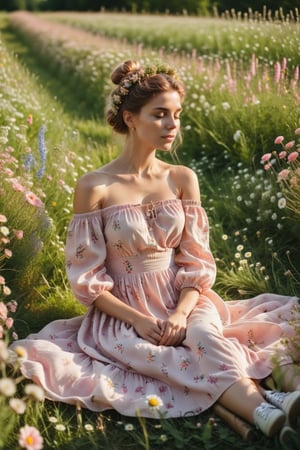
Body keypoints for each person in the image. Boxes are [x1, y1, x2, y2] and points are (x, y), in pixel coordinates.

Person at [11, 60, 300, 441]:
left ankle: (266, 409)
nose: (171, 124)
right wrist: (139, 321)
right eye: (160, 114)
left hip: (184, 296)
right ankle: (269, 407)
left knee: (204, 338)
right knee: (164, 357)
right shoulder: (94, 186)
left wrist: (182, 311)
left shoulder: (181, 178)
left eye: (176, 115)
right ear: (130, 118)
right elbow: (86, 277)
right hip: (123, 309)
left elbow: (196, 258)